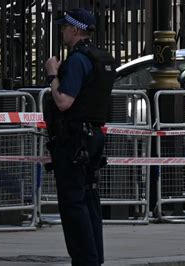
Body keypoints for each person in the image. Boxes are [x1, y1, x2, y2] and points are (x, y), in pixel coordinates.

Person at [44, 8, 116, 266]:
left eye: (64, 27)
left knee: (73, 203)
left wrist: (53, 74)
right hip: (93, 136)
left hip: (74, 140)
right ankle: (94, 258)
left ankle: (85, 260)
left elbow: (63, 101)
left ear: (75, 30)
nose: (62, 31)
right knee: (89, 198)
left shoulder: (77, 60)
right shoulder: (99, 58)